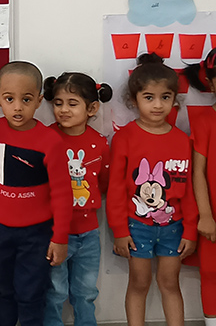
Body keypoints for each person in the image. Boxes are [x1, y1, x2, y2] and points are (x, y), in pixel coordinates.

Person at [107, 53, 197, 326]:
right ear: (134, 100)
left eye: (165, 97)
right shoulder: (124, 138)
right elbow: (115, 189)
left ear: (174, 99)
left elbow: (188, 189)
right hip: (136, 227)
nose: (158, 105)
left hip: (174, 228)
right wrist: (119, 231)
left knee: (170, 282)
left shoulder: (182, 141)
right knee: (139, 283)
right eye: (149, 97)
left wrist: (190, 230)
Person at [0, 61, 72, 326]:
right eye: (10, 99)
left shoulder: (50, 141)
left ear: (39, 101)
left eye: (27, 99)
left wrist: (60, 238)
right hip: (0, 230)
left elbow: (62, 193)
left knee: (31, 294)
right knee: (3, 291)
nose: (18, 107)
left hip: (37, 233)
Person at [42, 72, 112, 326]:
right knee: (54, 292)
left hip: (89, 233)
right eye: (58, 103)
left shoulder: (99, 143)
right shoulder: (45, 138)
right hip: (53, 232)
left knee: (86, 292)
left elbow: (103, 183)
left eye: (72, 104)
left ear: (91, 108)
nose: (63, 110)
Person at [183, 48, 216, 326]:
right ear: (211, 83)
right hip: (212, 217)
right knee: (211, 272)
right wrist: (205, 215)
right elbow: (198, 172)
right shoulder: (205, 121)